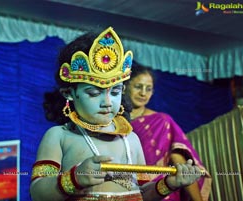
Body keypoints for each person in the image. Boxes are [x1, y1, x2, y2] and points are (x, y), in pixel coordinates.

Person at [30, 27, 203, 201]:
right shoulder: (59, 136)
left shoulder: (131, 140)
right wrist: (74, 179)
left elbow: (142, 195)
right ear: (69, 93)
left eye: (115, 92)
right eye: (93, 93)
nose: (107, 102)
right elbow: (37, 194)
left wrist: (169, 184)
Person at [124, 61, 212, 201]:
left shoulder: (162, 121)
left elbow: (178, 158)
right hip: (124, 188)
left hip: (161, 190)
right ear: (125, 86)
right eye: (138, 87)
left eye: (149, 89)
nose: (143, 93)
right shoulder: (114, 120)